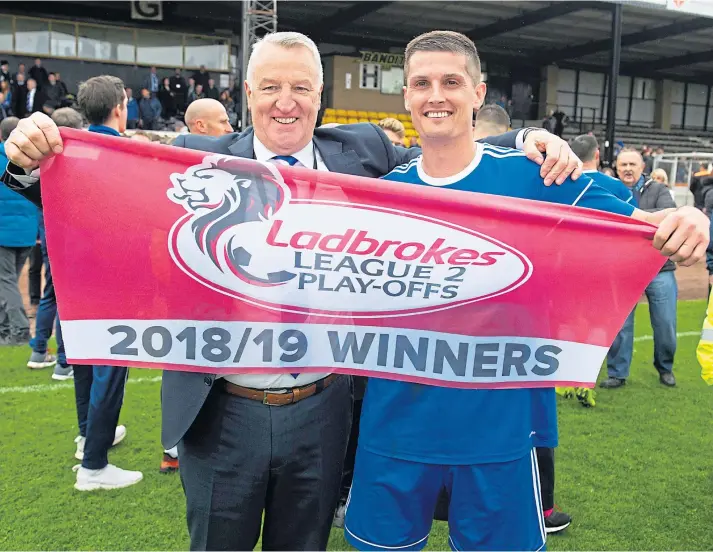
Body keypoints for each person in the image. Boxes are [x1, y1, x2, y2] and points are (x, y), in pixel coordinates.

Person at [1, 31, 594, 550]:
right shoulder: (191, 159)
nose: (286, 104)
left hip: (323, 409)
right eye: (270, 88)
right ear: (248, 93)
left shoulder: (367, 155)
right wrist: (29, 161)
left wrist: (530, 142)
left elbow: (450, 158)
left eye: (302, 88)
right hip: (219, 411)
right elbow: (91, 191)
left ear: (319, 97)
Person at [342, 30, 709, 552]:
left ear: (478, 92)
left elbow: (648, 225)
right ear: (406, 96)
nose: (436, 95)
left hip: (500, 431)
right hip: (393, 429)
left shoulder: (537, 177)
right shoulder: (383, 196)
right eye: (421, 83)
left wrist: (691, 216)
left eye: (451, 81)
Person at [600, 148, 679, 389]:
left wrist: (628, 217)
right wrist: (645, 219)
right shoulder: (608, 188)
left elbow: (669, 214)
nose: (627, 169)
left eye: (633, 164)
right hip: (623, 269)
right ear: (616, 166)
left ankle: (665, 367)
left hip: (659, 267)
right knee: (621, 325)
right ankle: (617, 373)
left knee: (665, 323)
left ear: (643, 166)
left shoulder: (658, 189)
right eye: (623, 164)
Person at [26, 108, 84, 379]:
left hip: (49, 238)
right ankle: (64, 361)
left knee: (51, 294)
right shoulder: (76, 162)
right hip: (70, 241)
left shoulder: (41, 162)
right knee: (66, 298)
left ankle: (39, 350)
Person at [0, 116, 37, 346]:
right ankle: (5, 329)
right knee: (7, 282)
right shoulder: (33, 160)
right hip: (26, 233)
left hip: (4, 233)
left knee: (6, 281)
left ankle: (20, 330)